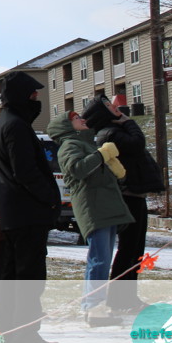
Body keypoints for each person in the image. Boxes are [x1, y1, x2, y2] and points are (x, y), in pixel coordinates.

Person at [0, 72, 61, 343]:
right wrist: (50, 199)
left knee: (9, 278)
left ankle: (5, 337)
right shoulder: (16, 126)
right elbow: (25, 171)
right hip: (27, 213)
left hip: (13, 214)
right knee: (29, 279)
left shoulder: (4, 123)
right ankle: (25, 337)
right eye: (33, 95)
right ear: (20, 96)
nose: (37, 100)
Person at [47, 110, 131, 327]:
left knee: (103, 259)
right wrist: (102, 155)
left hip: (104, 208)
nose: (82, 120)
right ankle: (93, 308)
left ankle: (95, 307)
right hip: (93, 208)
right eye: (77, 119)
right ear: (67, 127)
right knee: (99, 259)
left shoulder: (85, 144)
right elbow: (77, 169)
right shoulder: (70, 145)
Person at [82, 95, 164, 314]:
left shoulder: (114, 131)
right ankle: (120, 299)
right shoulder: (110, 133)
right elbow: (137, 144)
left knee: (135, 250)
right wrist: (129, 122)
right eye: (109, 106)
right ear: (103, 113)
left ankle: (127, 297)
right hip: (128, 195)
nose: (116, 108)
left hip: (135, 194)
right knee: (129, 249)